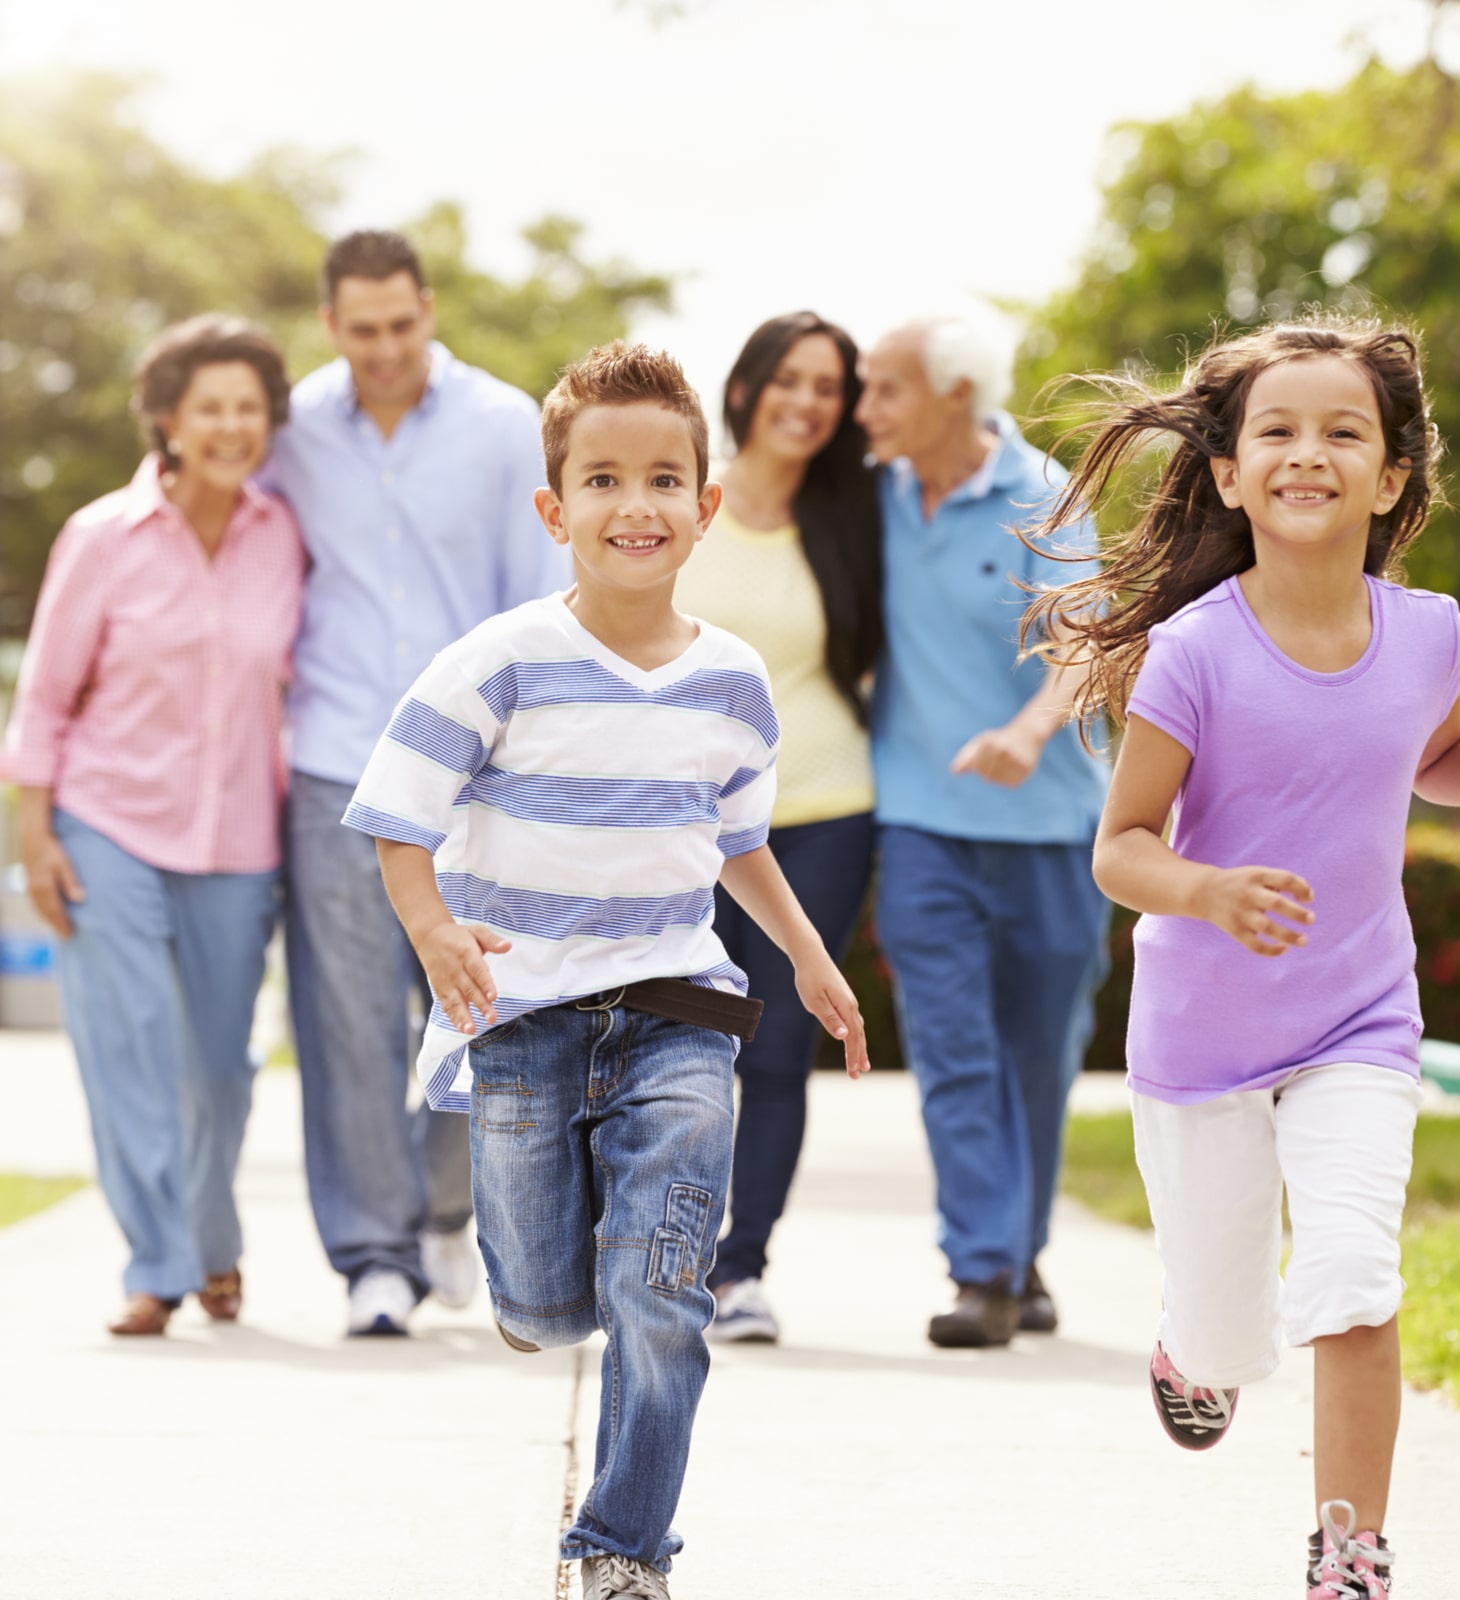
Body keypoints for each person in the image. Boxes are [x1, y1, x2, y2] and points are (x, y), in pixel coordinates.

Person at [1022, 317, 1460, 1598]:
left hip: (1358, 1020)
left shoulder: (1428, 634)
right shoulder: (1195, 652)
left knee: (1352, 1273)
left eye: (1342, 431)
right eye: (1276, 430)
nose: (1307, 452)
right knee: (1230, 1335)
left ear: (1390, 478)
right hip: (1202, 1039)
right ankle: (1190, 1350)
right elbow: (1121, 848)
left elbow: (1437, 754)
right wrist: (1205, 890)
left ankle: (1348, 1551)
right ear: (1228, 474)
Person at [343, 342, 869, 1599]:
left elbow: (736, 843)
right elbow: (397, 814)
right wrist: (434, 931)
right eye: (603, 480)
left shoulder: (733, 682)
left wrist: (807, 956)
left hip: (680, 1012)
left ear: (705, 503)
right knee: (542, 1305)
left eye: (663, 480)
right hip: (523, 1017)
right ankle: (540, 1288)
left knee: (663, 1288)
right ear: (555, 508)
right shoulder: (498, 661)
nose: (636, 505)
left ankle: (623, 1545)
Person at [264, 229, 570, 1336]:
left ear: (427, 310)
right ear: (331, 325)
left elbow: (537, 599)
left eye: (402, 323)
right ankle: (373, 1259)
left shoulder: (502, 424)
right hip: (333, 761)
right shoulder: (292, 429)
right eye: (363, 330)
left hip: (465, 774)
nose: (386, 347)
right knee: (345, 1022)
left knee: (473, 1003)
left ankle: (445, 1207)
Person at [2, 316, 302, 1335]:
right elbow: (44, 698)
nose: (230, 426)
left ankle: (210, 1239)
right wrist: (35, 834)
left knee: (219, 1067)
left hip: (238, 839)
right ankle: (157, 1265)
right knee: (126, 1048)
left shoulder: (282, 536)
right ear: (168, 419)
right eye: (208, 407)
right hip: (106, 824)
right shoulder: (100, 537)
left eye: (248, 408)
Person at [855, 314, 1109, 1348]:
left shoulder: (1044, 497)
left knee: (1039, 1056)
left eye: (886, 389)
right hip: (920, 822)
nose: (864, 409)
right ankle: (984, 1269)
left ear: (955, 394)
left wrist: (1028, 731)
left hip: (1050, 825)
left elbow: (1084, 644)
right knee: (955, 1051)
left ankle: (1018, 1248)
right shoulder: (868, 496)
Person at [672, 311, 880, 1342]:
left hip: (822, 811)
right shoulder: (685, 502)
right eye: (789, 380)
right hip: (682, 823)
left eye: (827, 387)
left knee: (779, 1041)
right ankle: (663, 1253)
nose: (806, 402)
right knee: (677, 1041)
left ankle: (741, 1267)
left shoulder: (854, 517)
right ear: (747, 387)